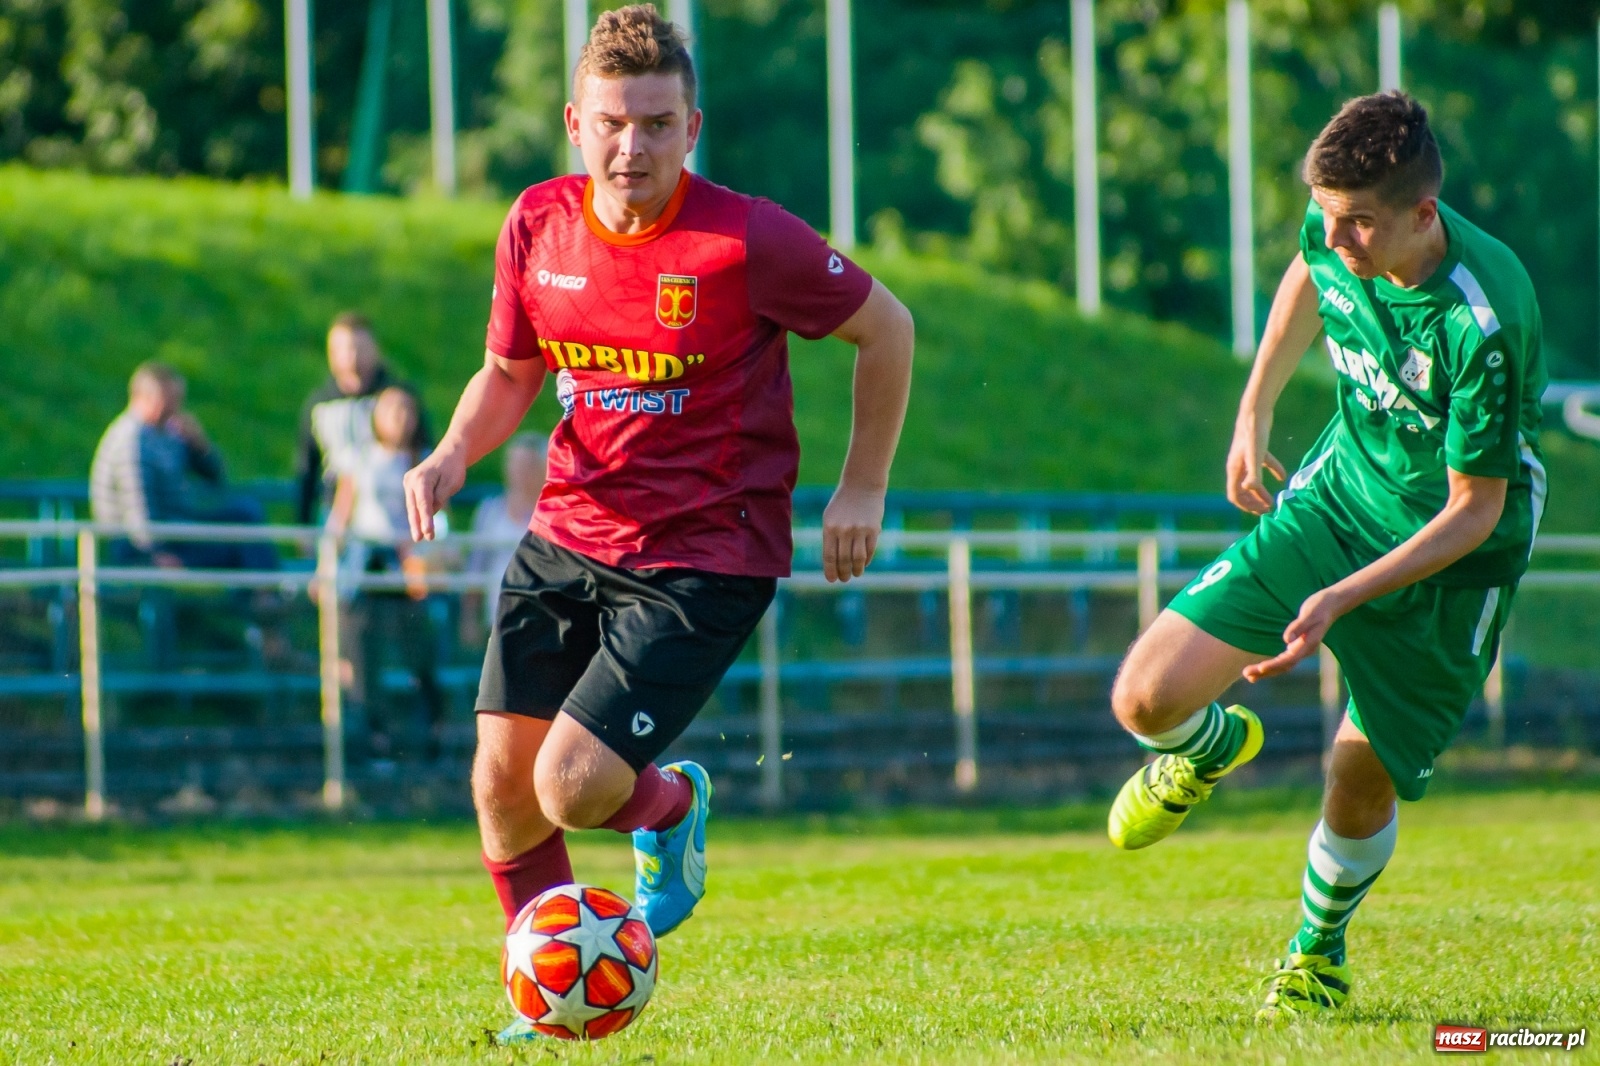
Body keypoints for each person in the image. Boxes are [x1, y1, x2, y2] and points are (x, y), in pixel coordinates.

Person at [401, 4, 914, 1044]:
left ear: (692, 127)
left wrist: (861, 488)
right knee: (502, 789)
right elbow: (510, 373)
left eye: (655, 123)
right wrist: (453, 452)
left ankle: (668, 808)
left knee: (573, 784)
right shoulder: (536, 225)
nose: (630, 144)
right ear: (573, 123)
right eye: (611, 122)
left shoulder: (746, 240)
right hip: (568, 529)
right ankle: (546, 1006)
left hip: (705, 551)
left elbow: (885, 327)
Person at [1103, 91, 1545, 1020]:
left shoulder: (1481, 320)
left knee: (1356, 778)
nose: (1333, 236)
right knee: (1144, 697)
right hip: (1339, 500)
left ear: (1424, 214)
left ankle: (1316, 951)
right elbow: (1312, 274)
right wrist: (1255, 403)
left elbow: (1474, 511)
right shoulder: (1339, 220)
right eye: (1327, 213)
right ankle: (1213, 746)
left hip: (1453, 563)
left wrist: (1342, 598)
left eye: (1358, 224)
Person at [327, 387, 445, 764]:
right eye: (392, 409)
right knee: (361, 655)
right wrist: (325, 566)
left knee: (418, 654)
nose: (400, 417)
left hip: (408, 570)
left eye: (406, 408)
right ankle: (372, 737)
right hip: (367, 568)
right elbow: (340, 517)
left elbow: (439, 521)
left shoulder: (425, 460)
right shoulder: (360, 459)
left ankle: (428, 735)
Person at [90, 361, 276, 570]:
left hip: (176, 526)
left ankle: (266, 592)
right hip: (139, 544)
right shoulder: (132, 439)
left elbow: (215, 477)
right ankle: (266, 594)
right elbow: (137, 507)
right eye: (168, 401)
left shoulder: (167, 433)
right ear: (145, 398)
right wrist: (155, 554)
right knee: (238, 550)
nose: (174, 408)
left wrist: (199, 445)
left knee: (245, 513)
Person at [295, 312, 431, 524]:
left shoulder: (397, 398)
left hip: (393, 510)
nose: (352, 358)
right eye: (343, 350)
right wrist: (303, 524)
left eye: (359, 349)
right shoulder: (319, 405)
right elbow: (306, 467)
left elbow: (424, 449)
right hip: (336, 508)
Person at [462, 433, 548, 641]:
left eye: (528, 465)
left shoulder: (551, 513)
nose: (520, 473)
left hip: (543, 619)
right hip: (498, 617)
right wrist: (469, 618)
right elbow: (476, 567)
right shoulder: (490, 511)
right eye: (515, 464)